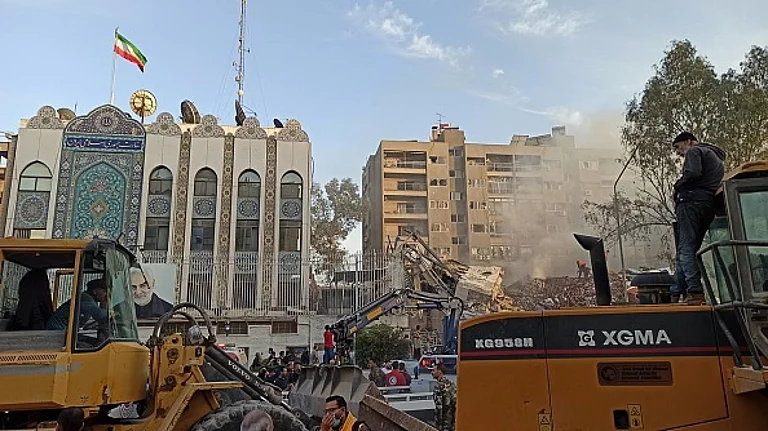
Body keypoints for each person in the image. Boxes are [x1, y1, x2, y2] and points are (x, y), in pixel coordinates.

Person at [670, 132, 726, 303]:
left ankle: (694, 291)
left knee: (686, 249)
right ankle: (677, 291)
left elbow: (693, 173)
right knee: (687, 249)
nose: (679, 153)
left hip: (690, 203)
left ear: (688, 142)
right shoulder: (716, 159)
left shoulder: (695, 151)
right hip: (706, 204)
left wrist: (678, 185)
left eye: (679, 148)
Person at [431, 363, 456, 431]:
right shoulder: (451, 383)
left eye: (433, 370)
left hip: (443, 423)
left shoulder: (438, 387)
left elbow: (439, 407)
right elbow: (455, 402)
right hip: (451, 422)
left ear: (440, 371)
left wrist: (438, 425)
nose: (432, 372)